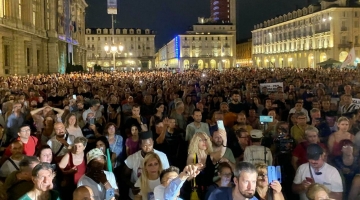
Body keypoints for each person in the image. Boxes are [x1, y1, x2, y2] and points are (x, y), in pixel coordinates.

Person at [123, 131, 170, 200]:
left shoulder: (162, 156)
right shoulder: (133, 158)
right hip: (138, 193)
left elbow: (167, 175)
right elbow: (123, 175)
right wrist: (132, 186)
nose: (148, 148)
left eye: (150, 145)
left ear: (153, 143)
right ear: (140, 145)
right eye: (145, 146)